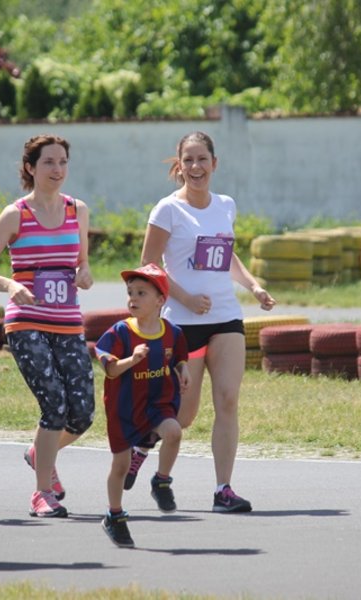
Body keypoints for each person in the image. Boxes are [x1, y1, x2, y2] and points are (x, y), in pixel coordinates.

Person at [135, 131, 275, 513]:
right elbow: (148, 266)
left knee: (228, 400)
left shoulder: (225, 205)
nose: (196, 167)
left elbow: (227, 256)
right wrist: (185, 298)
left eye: (203, 159)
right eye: (189, 160)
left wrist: (253, 286)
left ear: (215, 163)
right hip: (182, 321)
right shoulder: (167, 210)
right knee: (184, 413)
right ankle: (149, 456)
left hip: (226, 316)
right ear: (179, 166)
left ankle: (223, 489)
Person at [0, 134, 95, 519]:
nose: (57, 170)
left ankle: (39, 452)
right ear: (30, 168)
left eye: (62, 162)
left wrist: (85, 272)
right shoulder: (15, 215)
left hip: (68, 323)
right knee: (53, 404)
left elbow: (81, 262)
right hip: (26, 323)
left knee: (83, 413)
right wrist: (10, 285)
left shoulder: (79, 210)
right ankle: (42, 492)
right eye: (48, 163)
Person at [95, 263, 190, 547]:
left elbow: (179, 356)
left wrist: (183, 369)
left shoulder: (172, 332)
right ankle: (114, 514)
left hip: (158, 402)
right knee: (121, 466)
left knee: (174, 431)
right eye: (130, 293)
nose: (132, 299)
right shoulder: (119, 333)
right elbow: (110, 370)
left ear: (161, 300)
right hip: (124, 409)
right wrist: (131, 360)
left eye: (141, 293)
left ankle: (161, 481)